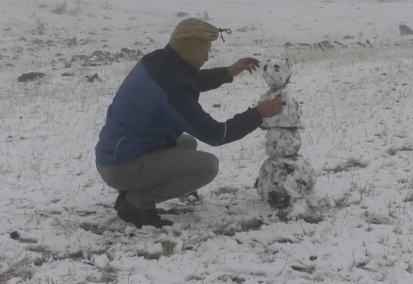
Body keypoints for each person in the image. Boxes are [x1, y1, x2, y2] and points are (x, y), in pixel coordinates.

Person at [95, 18, 283, 229]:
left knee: (187, 143)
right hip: (120, 165)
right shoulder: (173, 91)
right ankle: (136, 204)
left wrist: (229, 72)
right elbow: (216, 134)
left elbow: (188, 81)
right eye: (203, 52)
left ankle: (131, 191)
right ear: (189, 52)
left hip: (113, 154)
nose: (206, 57)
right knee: (207, 167)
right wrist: (259, 113)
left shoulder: (157, 61)